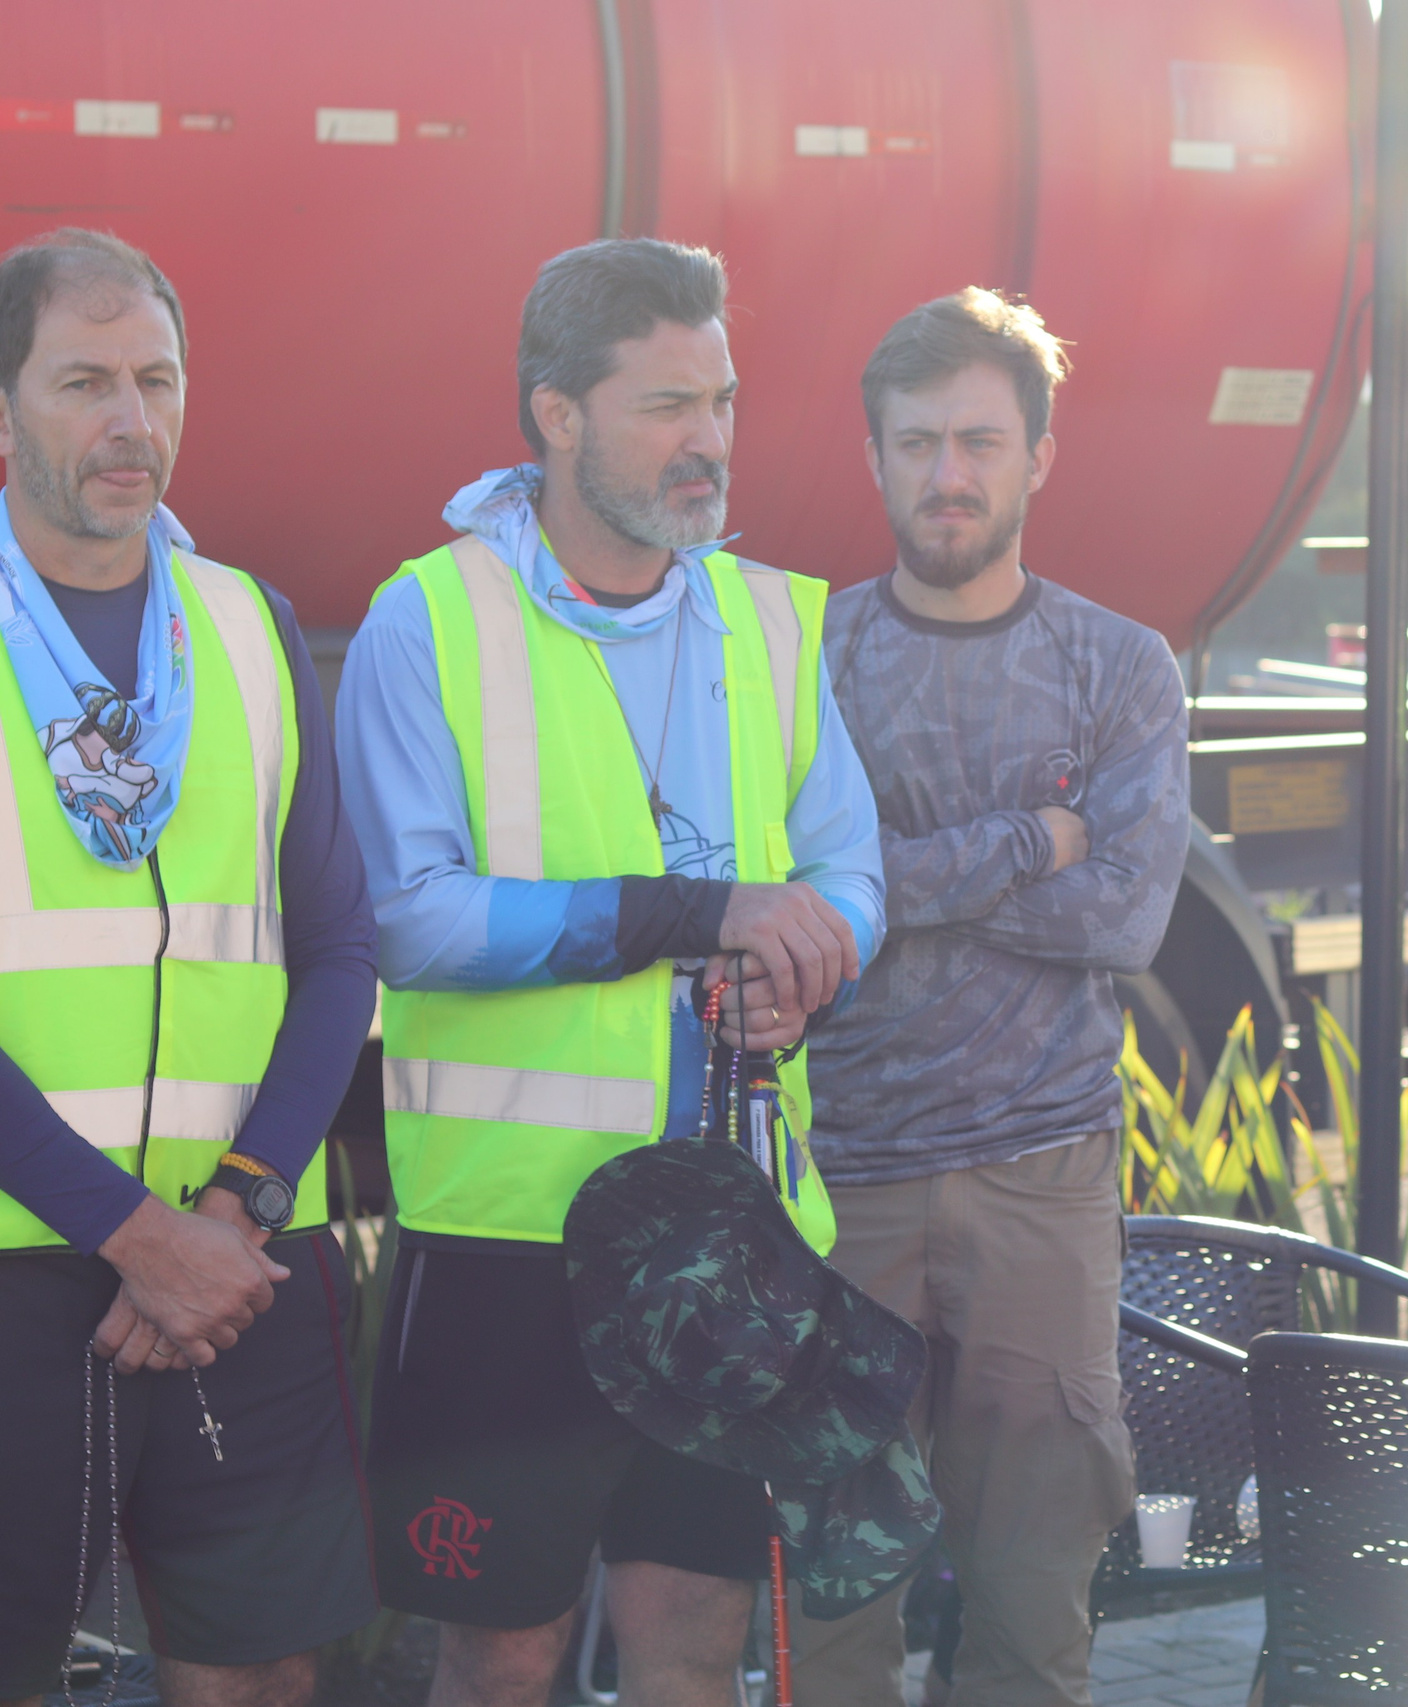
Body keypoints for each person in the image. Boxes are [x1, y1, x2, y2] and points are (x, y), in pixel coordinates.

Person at [335, 238, 886, 1707]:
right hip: (511, 1241)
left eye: (722, 398)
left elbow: (849, 872)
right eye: (664, 405)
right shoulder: (426, 620)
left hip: (728, 1223)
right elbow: (412, 922)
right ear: (557, 415)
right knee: (503, 1649)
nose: (708, 438)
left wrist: (809, 952)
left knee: (694, 1642)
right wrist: (689, 911)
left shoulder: (774, 618)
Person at [794, 287, 1188, 1706]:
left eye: (978, 439)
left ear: (1038, 457)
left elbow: (1129, 914)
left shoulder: (1119, 666)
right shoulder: (807, 661)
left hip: (1041, 1178)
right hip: (840, 1181)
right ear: (875, 457)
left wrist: (880, 886)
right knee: (830, 1613)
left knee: (1033, 1610)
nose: (947, 473)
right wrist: (1033, 834)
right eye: (917, 443)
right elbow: (799, 905)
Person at [0, 231, 378, 1707]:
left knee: (263, 1672)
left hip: (237, 1266)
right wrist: (130, 1231)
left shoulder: (246, 624)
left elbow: (336, 945)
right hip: (29, 1268)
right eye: (83, 380)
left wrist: (230, 1209)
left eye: (157, 379)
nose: (130, 420)